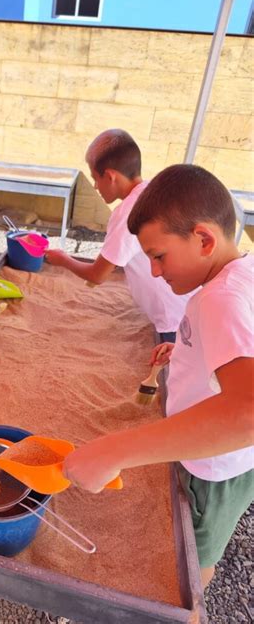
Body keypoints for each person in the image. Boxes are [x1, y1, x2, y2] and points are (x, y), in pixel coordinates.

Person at [63, 164, 254, 588]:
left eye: (158, 256)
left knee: (191, 570)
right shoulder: (238, 274)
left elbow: (248, 411)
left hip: (212, 469)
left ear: (204, 239)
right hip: (227, 462)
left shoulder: (219, 299)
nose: (153, 271)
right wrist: (187, 350)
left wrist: (113, 452)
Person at [45, 129, 192, 341]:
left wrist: (63, 259)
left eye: (96, 178)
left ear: (111, 176)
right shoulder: (151, 190)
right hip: (184, 301)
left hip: (172, 315)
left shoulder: (127, 212)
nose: (95, 186)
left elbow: (97, 275)